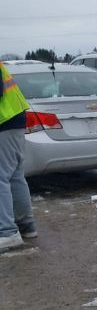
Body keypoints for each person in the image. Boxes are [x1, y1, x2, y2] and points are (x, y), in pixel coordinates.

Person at [0, 61, 36, 252]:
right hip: (12, 119)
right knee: (14, 175)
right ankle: (26, 225)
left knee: (1, 177)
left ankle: (7, 233)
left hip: (4, 121)